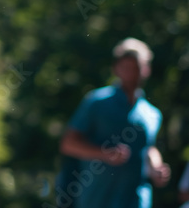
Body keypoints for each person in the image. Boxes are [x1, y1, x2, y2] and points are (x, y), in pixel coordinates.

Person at [57, 38, 171, 208]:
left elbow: (148, 147)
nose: (131, 73)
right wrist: (104, 154)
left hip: (136, 201)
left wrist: (157, 167)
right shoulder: (96, 102)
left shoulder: (152, 114)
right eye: (126, 67)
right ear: (115, 68)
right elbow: (68, 144)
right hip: (96, 200)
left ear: (146, 69)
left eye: (136, 68)